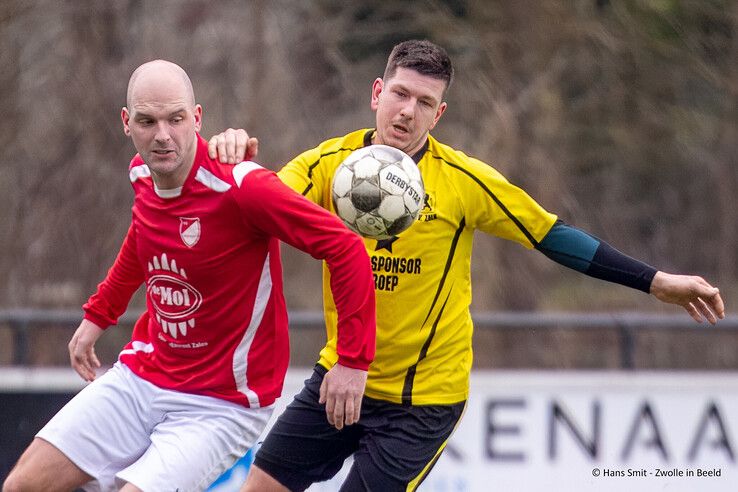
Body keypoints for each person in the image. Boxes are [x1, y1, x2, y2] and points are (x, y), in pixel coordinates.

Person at [209, 40, 725, 492]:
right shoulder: (329, 165)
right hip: (342, 373)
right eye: (400, 94)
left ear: (439, 114)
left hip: (422, 401)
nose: (407, 111)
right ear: (376, 93)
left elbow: (551, 235)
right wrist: (233, 162)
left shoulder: (462, 180)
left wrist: (655, 281)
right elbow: (261, 204)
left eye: (424, 102)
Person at [2, 60, 376, 492]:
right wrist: (99, 314)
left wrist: (352, 358)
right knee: (23, 485)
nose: (162, 135)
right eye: (147, 121)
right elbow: (142, 237)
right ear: (127, 123)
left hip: (222, 404)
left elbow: (345, 247)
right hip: (142, 376)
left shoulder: (242, 186)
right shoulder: (142, 175)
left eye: (175, 119)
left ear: (196, 118)